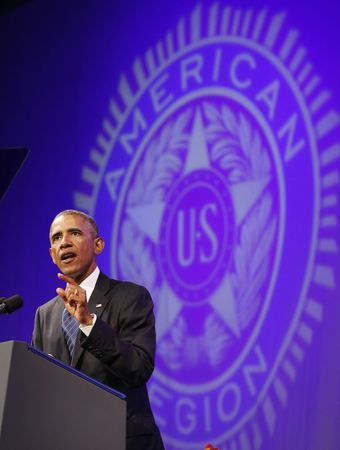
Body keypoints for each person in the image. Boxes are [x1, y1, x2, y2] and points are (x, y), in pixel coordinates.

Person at [32, 209, 164, 450]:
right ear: (52, 255)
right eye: (56, 238)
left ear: (98, 245)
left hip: (121, 440)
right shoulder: (45, 314)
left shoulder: (130, 297)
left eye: (74, 233)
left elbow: (138, 368)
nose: (64, 243)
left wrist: (89, 323)